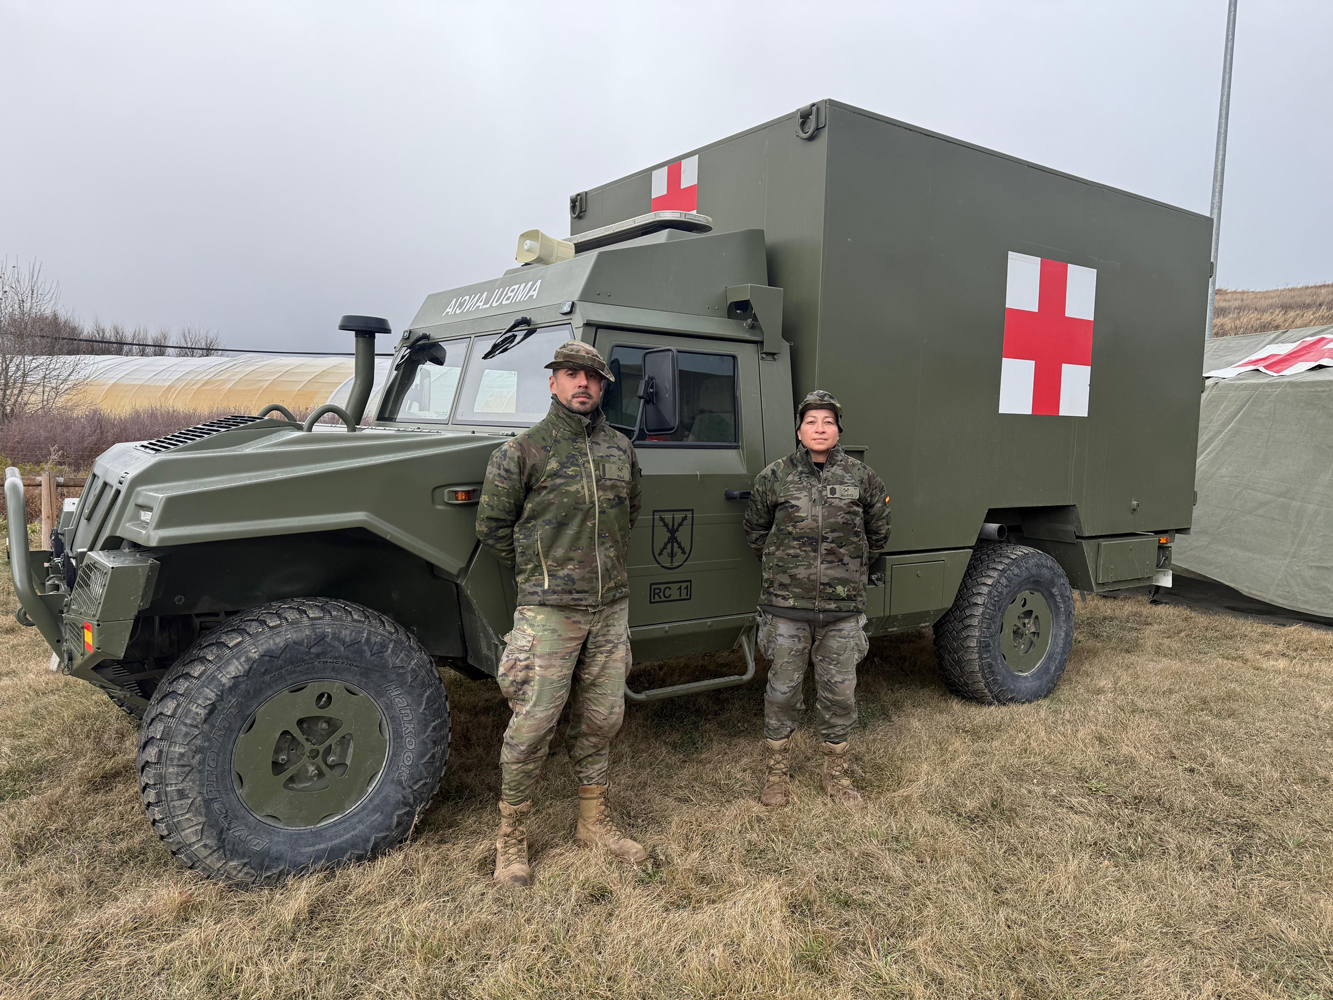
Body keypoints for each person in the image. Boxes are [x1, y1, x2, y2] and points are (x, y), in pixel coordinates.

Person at [475, 339, 646, 887]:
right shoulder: (522, 452)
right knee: (532, 724)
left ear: (602, 388)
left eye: (592, 378)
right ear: (552, 382)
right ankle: (511, 840)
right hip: (550, 612)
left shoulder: (620, 450)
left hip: (609, 607)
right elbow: (493, 528)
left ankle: (593, 824)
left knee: (602, 719)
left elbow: (630, 512)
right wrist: (541, 574)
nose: (582, 385)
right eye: (571, 375)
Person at [742, 390, 892, 808]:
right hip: (786, 607)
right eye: (811, 422)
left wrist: (848, 574)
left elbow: (879, 533)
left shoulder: (862, 478)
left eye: (827, 422)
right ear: (799, 429)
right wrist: (787, 568)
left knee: (840, 693)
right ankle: (776, 775)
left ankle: (838, 776)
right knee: (782, 692)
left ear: (838, 429)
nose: (819, 429)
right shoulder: (775, 476)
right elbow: (756, 530)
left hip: (842, 611)